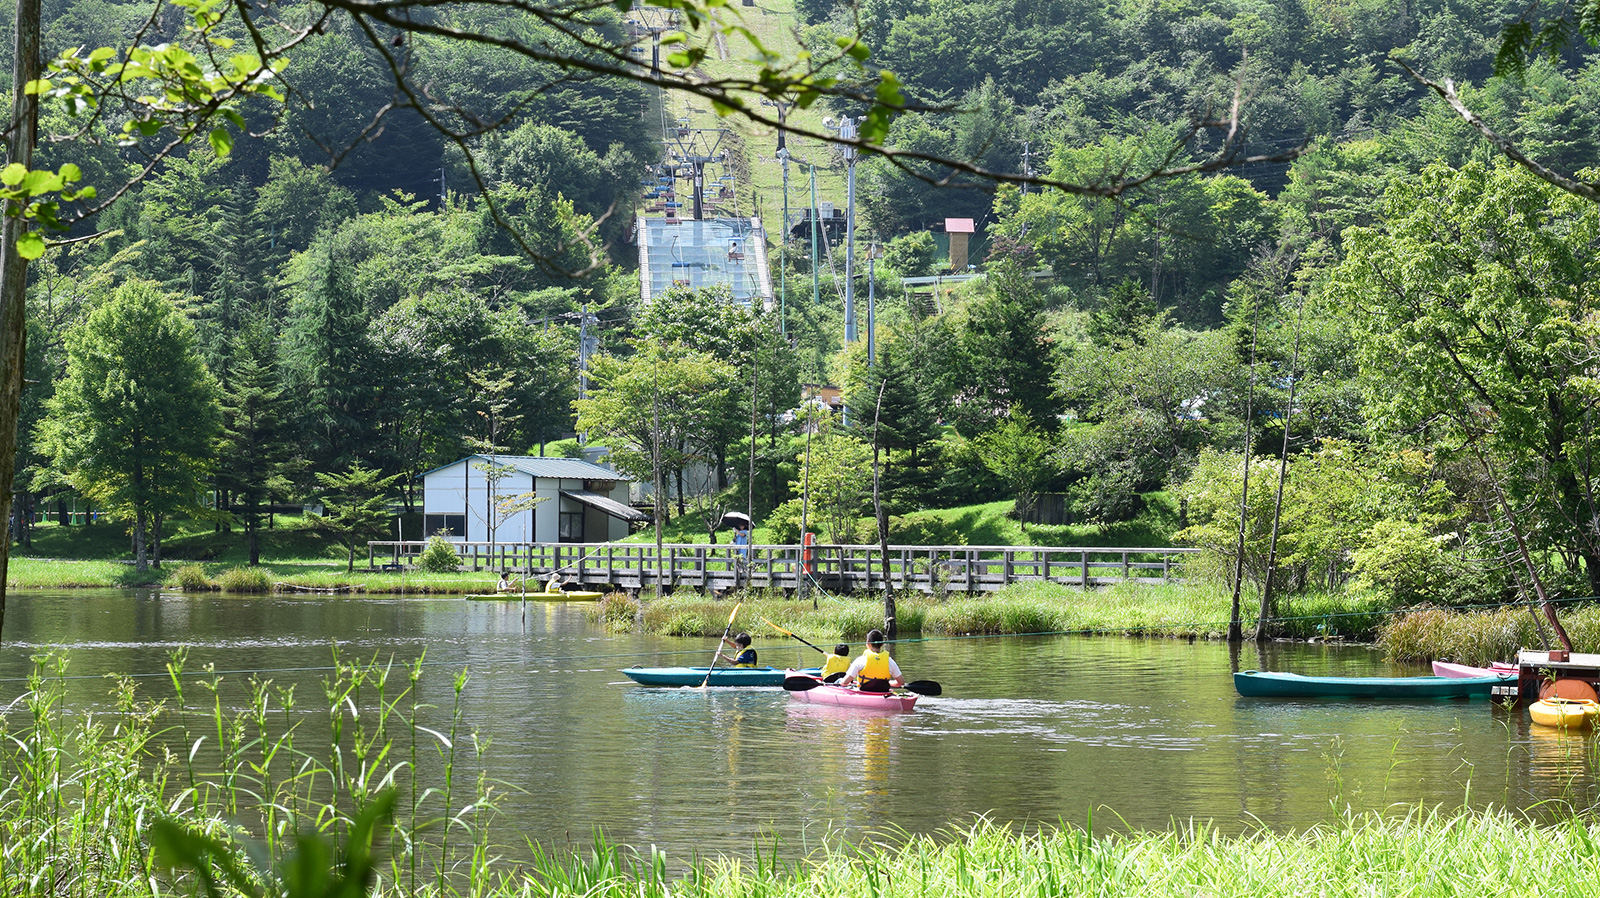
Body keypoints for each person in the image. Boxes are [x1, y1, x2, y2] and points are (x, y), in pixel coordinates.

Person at [841, 629, 903, 693]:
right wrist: (886, 683)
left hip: (864, 692)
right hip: (883, 692)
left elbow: (844, 682)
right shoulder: (890, 661)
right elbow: (901, 683)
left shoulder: (860, 660)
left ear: (867, 643)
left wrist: (841, 682)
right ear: (882, 644)